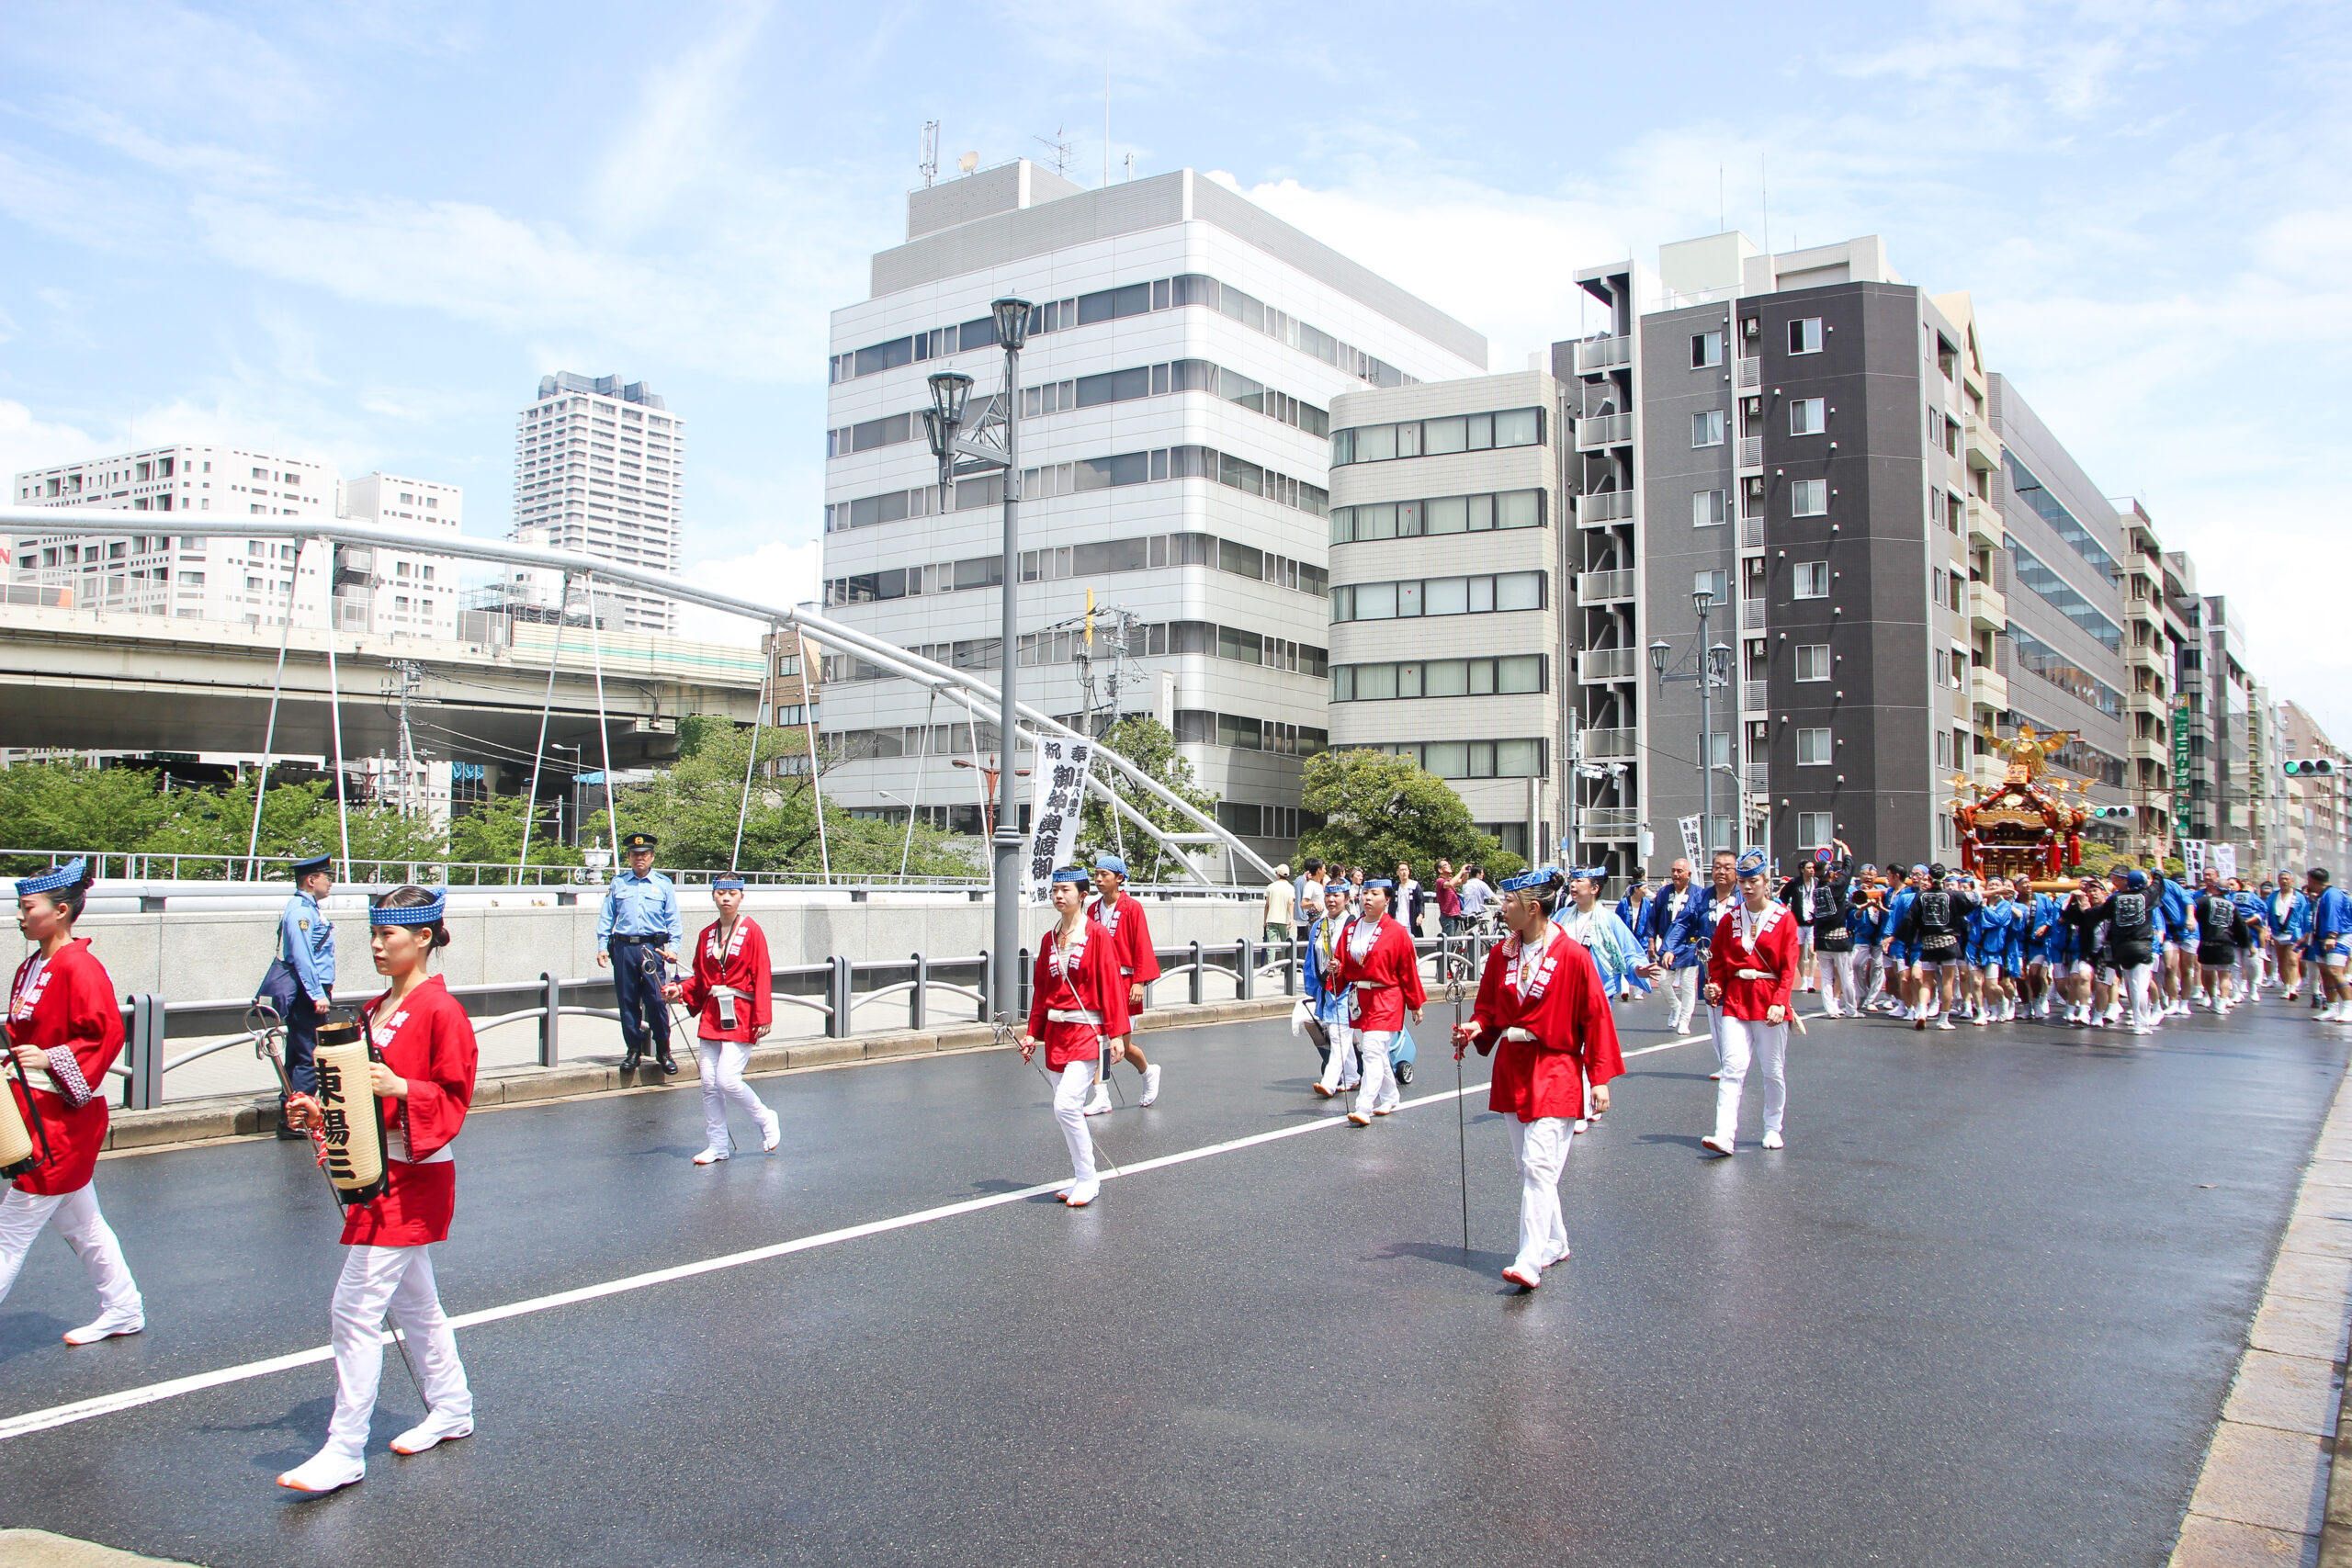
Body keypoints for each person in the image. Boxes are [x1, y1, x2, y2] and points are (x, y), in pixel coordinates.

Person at [277, 886, 478, 1494]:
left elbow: (453, 1097)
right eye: (373, 933)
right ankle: (452, 1406)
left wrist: (400, 1087)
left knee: (354, 1308)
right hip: (377, 1167)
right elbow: (350, 1097)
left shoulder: (443, 1011)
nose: (375, 944)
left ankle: (345, 1448)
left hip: (415, 1171)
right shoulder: (370, 1009)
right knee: (415, 1305)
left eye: (387, 934)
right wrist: (317, 1110)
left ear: (422, 937)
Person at [1452, 869, 1623, 1290]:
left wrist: (1598, 1078)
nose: (1502, 908)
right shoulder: (1501, 955)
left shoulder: (1573, 956)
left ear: (1532, 908)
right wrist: (1476, 1027)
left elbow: (1595, 1017)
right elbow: (1489, 1008)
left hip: (1556, 1067)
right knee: (1530, 1168)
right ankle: (1556, 1241)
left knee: (1538, 1165)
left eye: (1508, 902)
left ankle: (1529, 1259)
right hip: (1513, 1066)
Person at [0, 860, 144, 1348]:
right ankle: (124, 1307)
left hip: (61, 1118)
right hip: (32, 1112)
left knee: (9, 1232)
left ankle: (124, 1308)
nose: (19, 916)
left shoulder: (79, 965)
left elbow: (105, 1033)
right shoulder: (32, 964)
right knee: (82, 1223)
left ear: (60, 911)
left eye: (27, 907)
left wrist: (47, 1056)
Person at [1021, 868, 1134, 1208]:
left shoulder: (1097, 935)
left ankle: (1088, 1178)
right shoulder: (1048, 939)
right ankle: (1080, 1174)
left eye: (1065, 889)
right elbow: (1041, 990)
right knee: (1062, 1110)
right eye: (1055, 890)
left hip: (1087, 1030)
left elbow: (1111, 986)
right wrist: (1031, 1033)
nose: (1059, 896)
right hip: (1056, 1033)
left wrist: (1116, 1033)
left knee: (1067, 1105)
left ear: (1082, 894)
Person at [664, 875, 779, 1165]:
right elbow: (701, 980)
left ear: (741, 896)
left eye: (732, 893)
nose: (726, 898)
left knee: (728, 1079)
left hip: (742, 1011)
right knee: (709, 1084)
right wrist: (679, 990)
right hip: (713, 1013)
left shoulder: (752, 931)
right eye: (720, 893)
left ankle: (765, 1117)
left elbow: (763, 972)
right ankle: (717, 1145)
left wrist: (763, 1015)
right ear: (713, 897)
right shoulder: (706, 935)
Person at [1702, 849, 1798, 1156]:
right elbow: (1716, 961)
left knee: (1772, 1070)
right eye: (1742, 881)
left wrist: (1781, 1001)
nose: (1747, 887)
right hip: (1736, 999)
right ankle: (1724, 1134)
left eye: (1753, 880)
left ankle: (1772, 1126)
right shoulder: (1730, 919)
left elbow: (1788, 966)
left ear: (1766, 882)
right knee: (1732, 1068)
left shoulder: (1784, 919)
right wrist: (1714, 984)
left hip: (1768, 999)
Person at [1333, 879, 1425, 1127]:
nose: (1368, 898)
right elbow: (1341, 961)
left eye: (1375, 894)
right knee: (1375, 1051)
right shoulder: (1352, 928)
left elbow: (1408, 971)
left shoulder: (1396, 932)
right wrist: (1336, 969)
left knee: (1372, 1049)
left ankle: (1363, 1107)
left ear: (1387, 900)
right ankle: (1391, 1095)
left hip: (1387, 996)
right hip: (1360, 996)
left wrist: (1415, 1003)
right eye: (1365, 893)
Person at [258, 853, 337, 1138]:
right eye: (327, 877)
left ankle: (291, 1116)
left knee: (299, 1053)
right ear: (311, 879)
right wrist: (317, 993)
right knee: (308, 1056)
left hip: (310, 991)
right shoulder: (301, 912)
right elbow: (303, 957)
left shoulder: (308, 908)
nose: (331, 882)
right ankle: (298, 1120)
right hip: (308, 994)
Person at [596, 831, 682, 1075]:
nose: (639, 859)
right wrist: (603, 946)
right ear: (629, 858)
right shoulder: (619, 883)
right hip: (624, 948)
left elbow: (673, 920)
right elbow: (607, 917)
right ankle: (633, 1050)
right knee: (628, 1001)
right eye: (635, 855)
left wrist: (673, 949)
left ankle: (663, 1050)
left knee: (657, 1000)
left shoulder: (663, 884)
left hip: (652, 949)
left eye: (644, 854)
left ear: (652, 857)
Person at [1084, 854, 1164, 1113]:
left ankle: (1148, 1071)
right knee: (1102, 1040)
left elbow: (1142, 944)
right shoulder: (1092, 909)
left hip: (1124, 980)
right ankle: (1101, 1094)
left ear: (1119, 878)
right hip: (1099, 982)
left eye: (1104, 875)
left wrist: (1139, 982)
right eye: (1096, 874)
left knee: (1123, 1045)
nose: (1098, 879)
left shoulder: (1132, 907)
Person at [1668, 851, 1741, 1068]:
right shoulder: (1701, 898)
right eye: (1717, 866)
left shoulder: (1744, 897)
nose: (1721, 871)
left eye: (1727, 867)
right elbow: (1682, 923)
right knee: (1716, 1016)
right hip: (1711, 967)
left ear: (1736, 872)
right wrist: (1669, 948)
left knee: (1738, 1019)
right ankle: (1726, 1065)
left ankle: (1737, 1063)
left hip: (1739, 966)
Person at [1898, 864, 1976, 1032]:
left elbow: (1910, 920)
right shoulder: (1952, 895)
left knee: (1927, 981)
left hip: (1928, 942)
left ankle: (1921, 1013)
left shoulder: (1921, 896)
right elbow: (1973, 900)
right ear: (1944, 878)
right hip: (1948, 941)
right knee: (1947, 982)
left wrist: (1907, 941)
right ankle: (1943, 1019)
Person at [1303, 884, 1359, 1095]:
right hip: (1327, 987)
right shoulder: (1319, 926)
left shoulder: (1354, 925)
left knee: (1338, 1034)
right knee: (1339, 1032)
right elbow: (1311, 957)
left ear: (1346, 899)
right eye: (1327, 895)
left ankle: (1329, 1082)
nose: (1331, 900)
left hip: (1348, 986)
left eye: (1336, 895)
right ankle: (1353, 1076)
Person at [1645, 860, 1702, 1032]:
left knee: (1687, 984)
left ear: (1688, 874)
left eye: (1680, 871)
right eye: (1673, 871)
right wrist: (1651, 940)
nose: (1676, 874)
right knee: (1662, 981)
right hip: (1667, 945)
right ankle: (1675, 1006)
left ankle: (1685, 1020)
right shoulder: (1664, 892)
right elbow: (1653, 917)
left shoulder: (1698, 894)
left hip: (1689, 945)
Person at [2193, 874, 2245, 1014]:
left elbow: (2193, 912)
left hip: (2208, 942)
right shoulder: (2232, 906)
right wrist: (2246, 943)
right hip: (2226, 943)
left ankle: (2213, 999)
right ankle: (2222, 1001)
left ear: (2215, 888)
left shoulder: (2203, 902)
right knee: (2225, 974)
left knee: (2208, 971)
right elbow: (2240, 926)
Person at [2307, 868, 2352, 1021]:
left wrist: (2332, 935)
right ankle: (2332, 1008)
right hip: (2320, 938)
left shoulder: (2332, 895)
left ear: (2313, 880)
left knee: (2335, 971)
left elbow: (2334, 915)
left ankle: (2349, 1007)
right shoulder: (2321, 896)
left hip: (2338, 936)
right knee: (2325, 973)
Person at [2272, 873, 2312, 1002]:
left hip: (2294, 932)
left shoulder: (2299, 897)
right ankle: (2286, 986)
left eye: (2286, 879)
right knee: (2282, 961)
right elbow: (2268, 912)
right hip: (2277, 932)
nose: (2284, 881)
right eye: (2281, 879)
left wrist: (2304, 932)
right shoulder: (2273, 896)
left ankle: (2293, 988)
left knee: (2293, 960)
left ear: (2292, 881)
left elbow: (2304, 915)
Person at [1262, 863, 1295, 948]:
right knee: (1285, 946)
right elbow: (1291, 903)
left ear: (1278, 874)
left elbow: (1267, 905)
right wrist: (1291, 918)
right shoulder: (1290, 888)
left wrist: (1265, 920)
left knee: (1271, 947)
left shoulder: (1270, 887)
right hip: (1284, 920)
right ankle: (1285, 961)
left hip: (1271, 919)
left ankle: (1271, 962)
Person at [1296, 859, 1327, 945]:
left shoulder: (1319, 885)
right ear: (1319, 870)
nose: (1325, 871)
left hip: (1322, 922)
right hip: (1316, 924)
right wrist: (1313, 903)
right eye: (1324, 868)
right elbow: (1303, 904)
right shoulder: (1310, 885)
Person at [1434, 858, 1464, 938]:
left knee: (1455, 941)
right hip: (1447, 916)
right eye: (1445, 865)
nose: (1449, 866)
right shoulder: (1440, 881)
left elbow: (1463, 881)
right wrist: (1461, 871)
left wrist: (1466, 873)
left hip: (1456, 915)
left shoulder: (1451, 879)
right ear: (1440, 870)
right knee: (1448, 942)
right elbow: (1451, 884)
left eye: (1449, 864)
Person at [1395, 862, 1424, 938]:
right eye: (1401, 870)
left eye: (1405, 870)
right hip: (1398, 920)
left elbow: (1420, 902)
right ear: (1398, 872)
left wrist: (1420, 915)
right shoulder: (1395, 887)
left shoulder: (1415, 885)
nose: (1404, 872)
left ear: (1409, 871)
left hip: (1411, 920)